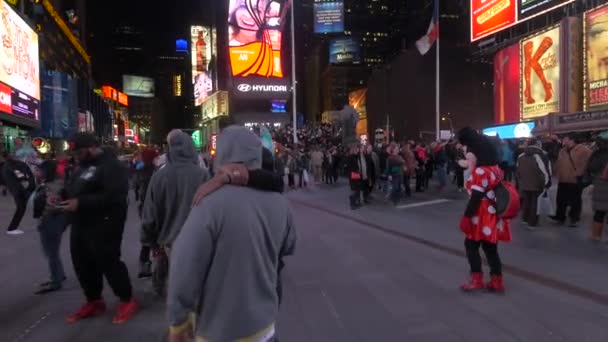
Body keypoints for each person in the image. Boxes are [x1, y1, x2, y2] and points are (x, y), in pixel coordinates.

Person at [167, 126, 296, 342]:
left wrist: (179, 322)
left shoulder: (207, 204)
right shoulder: (280, 203)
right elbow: (289, 245)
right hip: (264, 328)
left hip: (218, 331)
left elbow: (184, 268)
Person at [62, 133, 137, 324]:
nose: (76, 155)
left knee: (108, 261)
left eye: (80, 151)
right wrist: (62, 198)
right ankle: (94, 300)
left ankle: (126, 300)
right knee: (82, 262)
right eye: (74, 152)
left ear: (93, 146)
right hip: (81, 223)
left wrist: (81, 202)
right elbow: (74, 189)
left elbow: (114, 197)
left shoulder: (112, 166)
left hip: (105, 223)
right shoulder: (82, 166)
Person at [140, 130, 209, 296]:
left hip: (168, 241)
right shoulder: (203, 175)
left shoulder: (159, 176)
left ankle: (164, 293)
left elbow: (149, 215)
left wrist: (151, 241)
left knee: (173, 283)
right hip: (198, 241)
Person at [457, 127, 511, 293]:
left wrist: (466, 216)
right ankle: (497, 280)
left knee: (471, 245)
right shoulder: (495, 168)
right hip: (492, 212)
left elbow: (475, 197)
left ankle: (477, 279)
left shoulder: (480, 171)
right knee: (490, 247)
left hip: (480, 215)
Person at [32, 160, 68, 294]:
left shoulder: (52, 186)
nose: (37, 172)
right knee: (53, 251)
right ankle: (59, 274)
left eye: (39, 170)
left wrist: (42, 220)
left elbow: (51, 206)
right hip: (55, 219)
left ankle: (55, 281)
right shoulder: (52, 182)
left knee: (51, 251)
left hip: (51, 220)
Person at [551, 134, 593, 227]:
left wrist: (581, 171)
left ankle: (574, 218)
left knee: (575, 200)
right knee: (561, 199)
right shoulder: (562, 150)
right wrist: (557, 172)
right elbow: (558, 162)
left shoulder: (583, 149)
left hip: (575, 178)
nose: (563, 140)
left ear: (571, 140)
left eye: (565, 139)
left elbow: (591, 160)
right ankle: (560, 216)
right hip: (563, 178)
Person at [516, 138, 551, 229]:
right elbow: (545, 171)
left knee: (526, 200)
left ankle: (525, 218)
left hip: (524, 183)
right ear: (537, 144)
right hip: (537, 183)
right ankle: (532, 222)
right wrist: (547, 182)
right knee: (535, 203)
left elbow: (518, 170)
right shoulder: (541, 155)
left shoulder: (521, 156)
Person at [2, 152, 35, 235]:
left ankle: (12, 228)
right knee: (21, 207)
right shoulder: (12, 165)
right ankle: (12, 228)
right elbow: (19, 175)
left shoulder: (7, 165)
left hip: (17, 188)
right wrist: (25, 178)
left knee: (22, 207)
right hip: (19, 189)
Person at [586, 133, 608, 241]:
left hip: (599, 184)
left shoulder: (596, 154)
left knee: (599, 212)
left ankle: (596, 235)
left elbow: (590, 168)